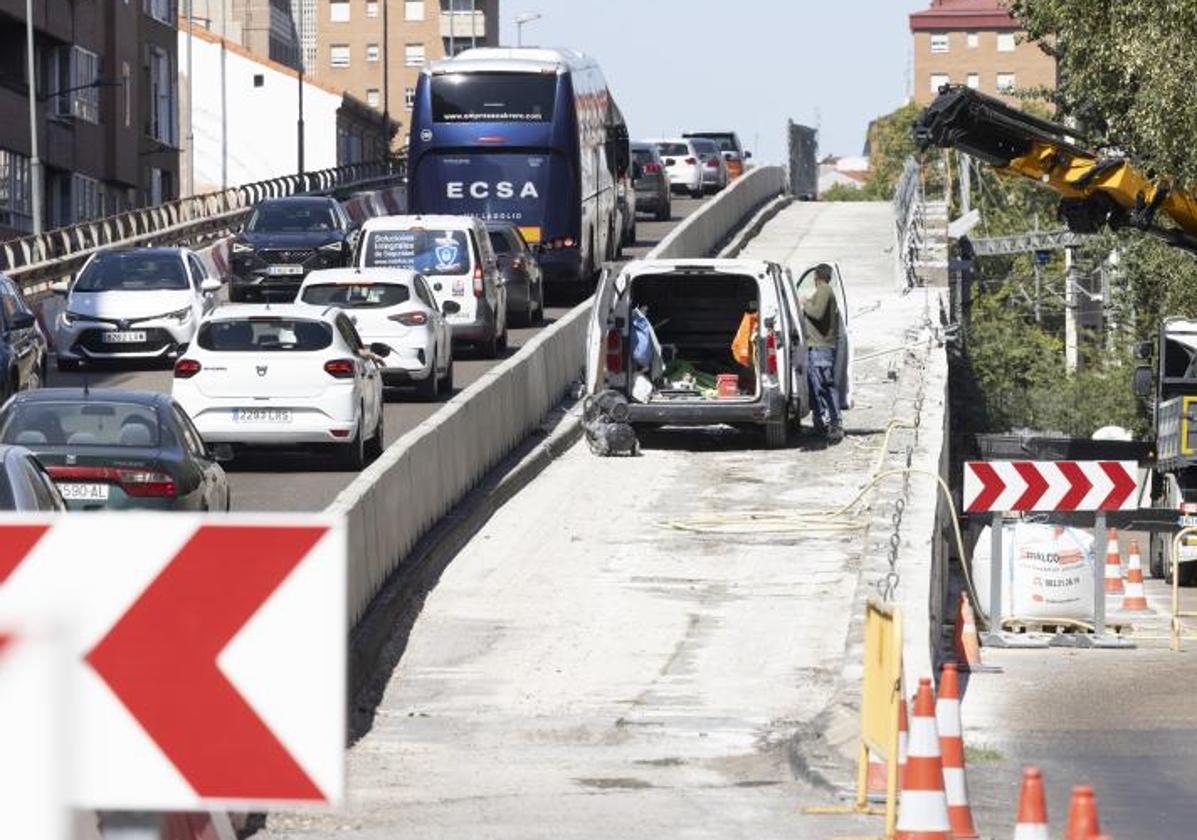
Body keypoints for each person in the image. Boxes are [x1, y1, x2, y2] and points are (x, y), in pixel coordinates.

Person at [802, 264, 843, 443]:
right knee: (816, 387)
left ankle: (835, 423)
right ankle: (821, 423)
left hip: (822, 348)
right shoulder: (823, 291)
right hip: (815, 348)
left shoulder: (824, 290)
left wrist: (804, 303)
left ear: (817, 277)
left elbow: (817, 313)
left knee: (825, 385)